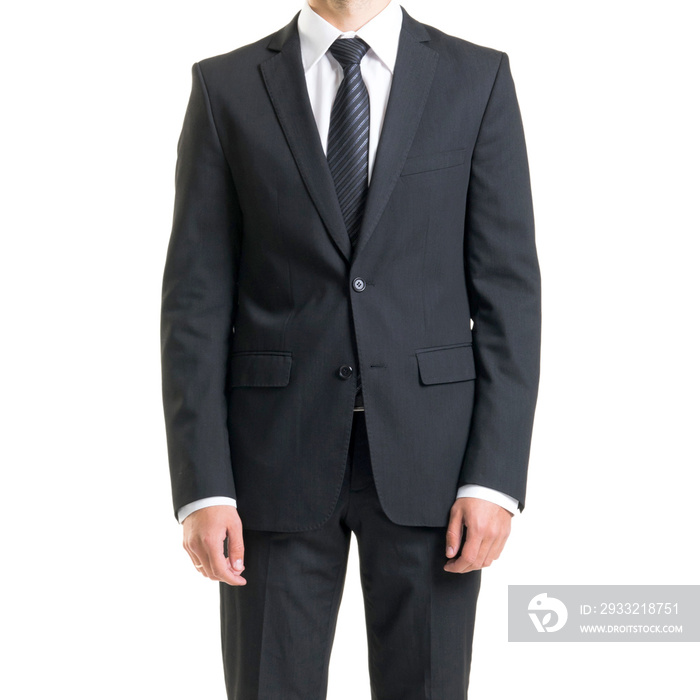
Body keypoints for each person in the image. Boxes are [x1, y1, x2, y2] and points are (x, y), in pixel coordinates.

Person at [160, 0, 541, 697]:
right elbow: (195, 305)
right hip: (270, 464)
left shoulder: (476, 79)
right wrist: (202, 488)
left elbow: (509, 294)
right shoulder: (226, 88)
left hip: (434, 465)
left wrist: (493, 478)